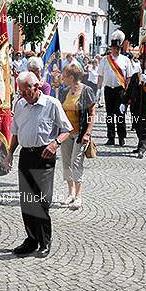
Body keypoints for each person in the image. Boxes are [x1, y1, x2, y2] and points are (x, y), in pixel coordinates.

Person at [4, 72, 72, 257]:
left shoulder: (52, 104)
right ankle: (31, 239)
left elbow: (66, 130)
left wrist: (55, 143)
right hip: (26, 154)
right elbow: (16, 133)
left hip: (45, 155)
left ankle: (44, 240)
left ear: (36, 87)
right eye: (20, 92)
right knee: (26, 199)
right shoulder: (20, 104)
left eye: (26, 91)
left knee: (41, 200)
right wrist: (10, 153)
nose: (23, 95)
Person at [59, 64, 96, 209]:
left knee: (76, 162)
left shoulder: (87, 91)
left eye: (65, 76)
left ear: (72, 77)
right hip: (66, 132)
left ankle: (79, 196)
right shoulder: (65, 91)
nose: (63, 78)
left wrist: (88, 133)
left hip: (80, 133)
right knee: (66, 163)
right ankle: (70, 193)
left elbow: (92, 114)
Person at [122, 43, 146, 158]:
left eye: (144, 62)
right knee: (137, 127)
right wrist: (124, 103)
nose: (142, 63)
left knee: (145, 127)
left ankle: (141, 147)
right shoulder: (135, 76)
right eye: (141, 62)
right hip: (135, 106)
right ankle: (143, 144)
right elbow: (129, 91)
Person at [97, 30, 133, 146]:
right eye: (114, 48)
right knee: (109, 115)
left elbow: (129, 77)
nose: (116, 50)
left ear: (120, 48)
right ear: (110, 48)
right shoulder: (105, 60)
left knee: (120, 114)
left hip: (120, 90)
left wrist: (127, 91)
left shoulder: (125, 60)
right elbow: (100, 75)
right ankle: (110, 137)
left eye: (118, 48)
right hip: (108, 89)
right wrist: (98, 89)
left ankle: (121, 137)